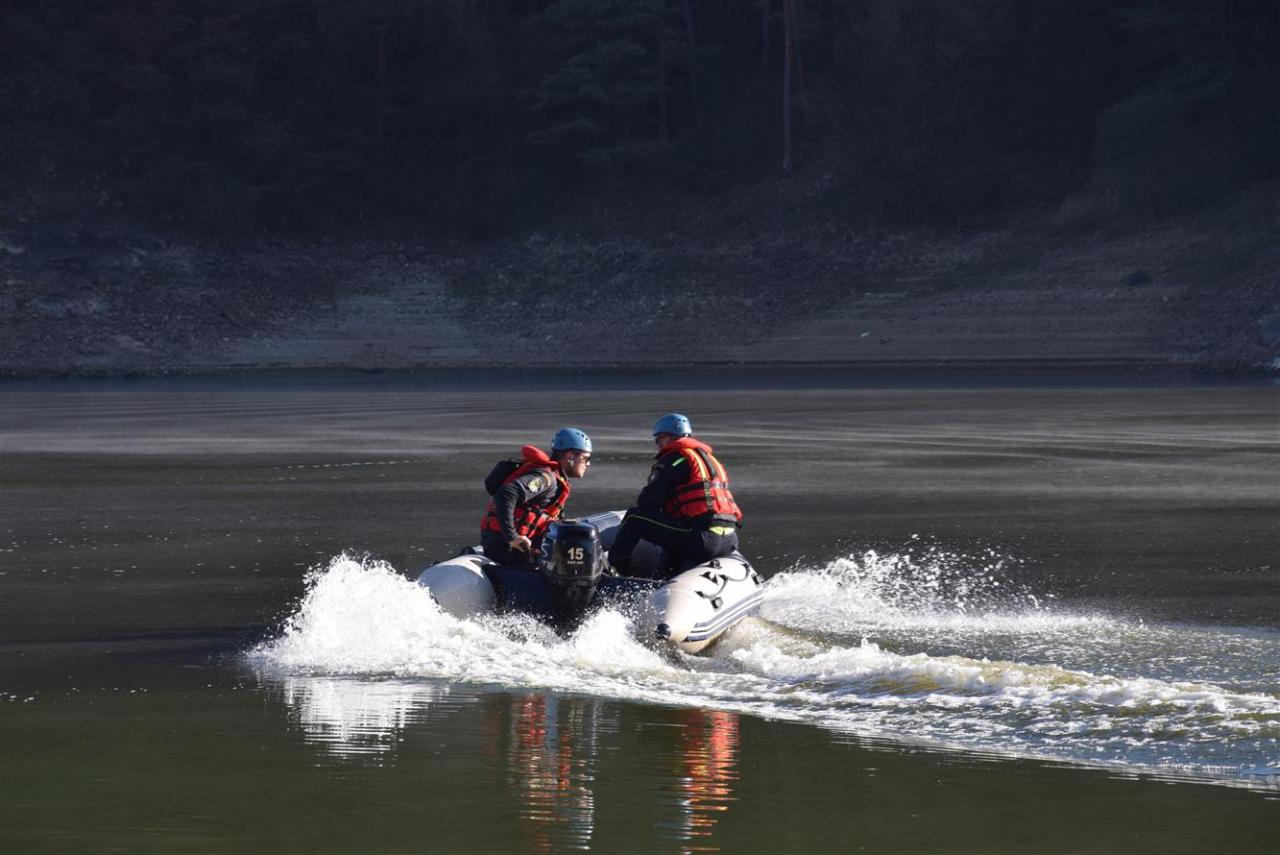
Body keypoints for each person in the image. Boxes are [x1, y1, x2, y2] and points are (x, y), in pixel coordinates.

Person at [608, 413, 742, 578]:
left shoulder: (674, 459)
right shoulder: (710, 460)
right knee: (676, 534)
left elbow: (647, 502)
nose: (658, 446)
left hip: (701, 538)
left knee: (634, 518)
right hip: (729, 539)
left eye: (658, 440)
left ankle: (615, 571)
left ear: (667, 437)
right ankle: (667, 577)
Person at [480, 427, 592, 565]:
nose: (588, 464)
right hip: (505, 547)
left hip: (512, 545)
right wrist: (512, 537)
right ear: (570, 456)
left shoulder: (556, 478)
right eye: (585, 458)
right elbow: (507, 493)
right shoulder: (546, 478)